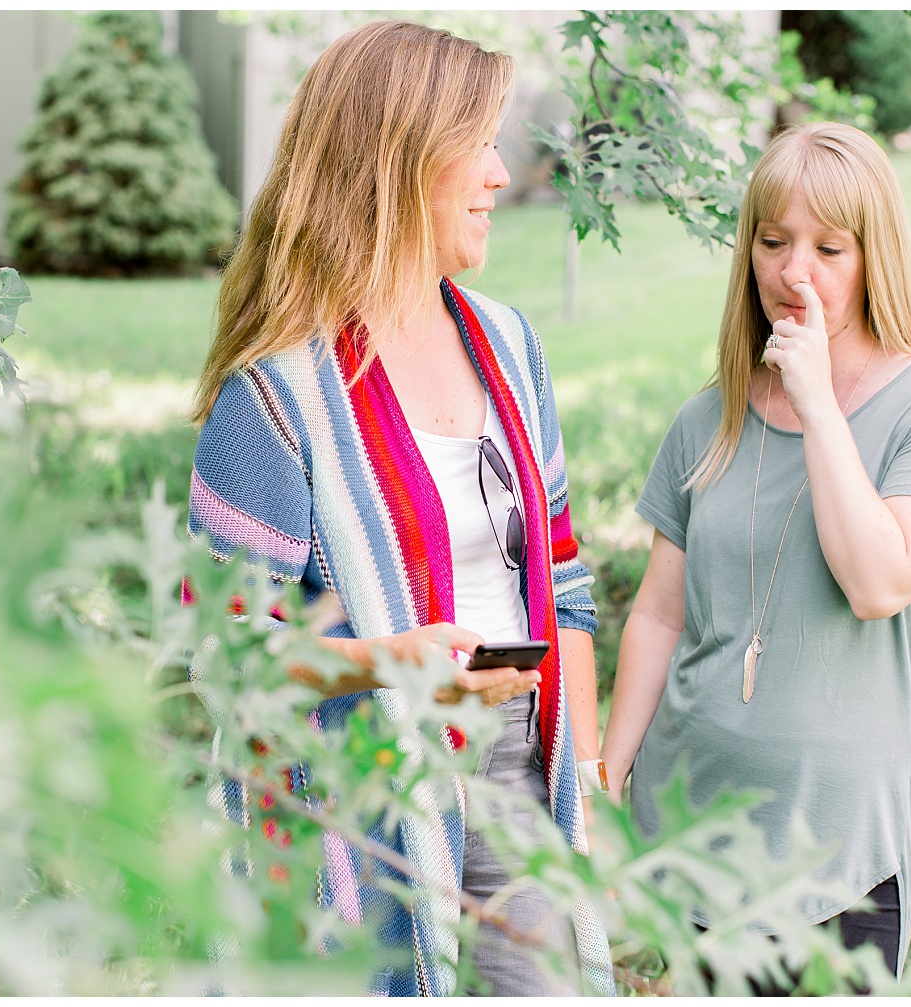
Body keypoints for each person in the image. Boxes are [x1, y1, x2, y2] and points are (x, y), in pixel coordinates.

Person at [186, 20, 613, 999]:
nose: (504, 174)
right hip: (362, 791)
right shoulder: (277, 397)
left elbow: (566, 578)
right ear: (399, 162)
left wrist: (580, 771)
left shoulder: (508, 344)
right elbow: (220, 649)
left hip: (518, 762)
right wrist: (381, 663)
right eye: (481, 145)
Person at [600, 121, 911, 989]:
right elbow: (659, 614)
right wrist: (606, 780)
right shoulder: (709, 418)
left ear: (875, 255)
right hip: (691, 831)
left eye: (829, 247)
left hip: (840, 857)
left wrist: (818, 402)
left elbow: (879, 581)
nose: (794, 272)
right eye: (773, 243)